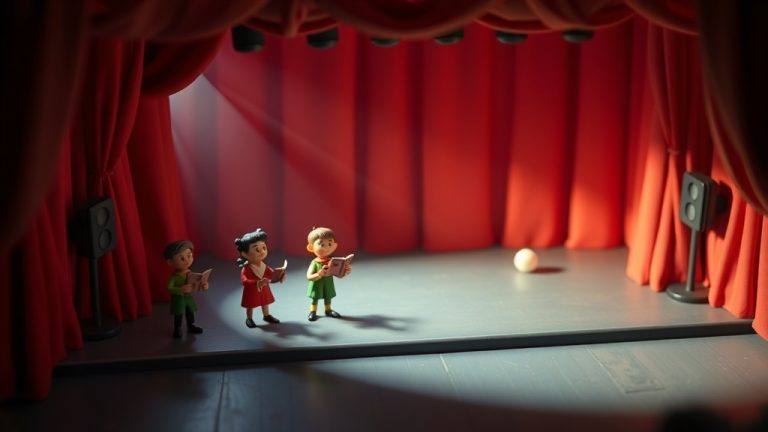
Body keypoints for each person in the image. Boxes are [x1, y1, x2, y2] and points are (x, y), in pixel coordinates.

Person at [235, 228, 284, 327]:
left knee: (265, 302)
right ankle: (249, 318)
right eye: (257, 249)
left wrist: (279, 275)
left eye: (264, 248)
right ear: (244, 254)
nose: (262, 252)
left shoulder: (263, 265)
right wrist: (257, 283)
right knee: (250, 304)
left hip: (264, 288)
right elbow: (244, 281)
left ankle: (266, 315)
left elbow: (271, 274)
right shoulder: (246, 268)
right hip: (252, 290)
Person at [305, 226, 351, 321]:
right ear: (311, 247)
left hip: (328, 283)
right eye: (322, 244)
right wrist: (319, 274)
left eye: (330, 243)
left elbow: (338, 274)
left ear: (334, 245)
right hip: (317, 284)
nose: (327, 248)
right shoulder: (315, 263)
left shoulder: (332, 261)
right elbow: (309, 276)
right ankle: (313, 311)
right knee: (315, 298)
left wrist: (345, 270)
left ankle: (328, 310)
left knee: (328, 296)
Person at [164, 240, 206, 339]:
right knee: (178, 315)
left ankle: (191, 326)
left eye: (189, 255)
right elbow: (169, 288)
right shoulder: (174, 277)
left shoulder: (190, 273)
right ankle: (177, 329)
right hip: (178, 300)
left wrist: (204, 285)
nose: (187, 260)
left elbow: (195, 284)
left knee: (190, 313)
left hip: (188, 298)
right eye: (182, 258)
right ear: (170, 262)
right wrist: (180, 289)